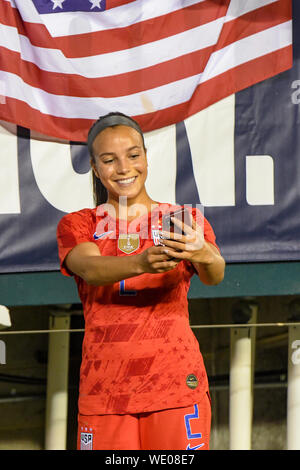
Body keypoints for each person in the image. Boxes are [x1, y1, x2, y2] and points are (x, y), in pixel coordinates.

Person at [56, 112, 225, 450]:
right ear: (94, 165)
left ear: (146, 156)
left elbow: (214, 275)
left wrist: (203, 253)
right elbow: (90, 268)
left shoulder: (182, 218)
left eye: (133, 155)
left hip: (175, 385)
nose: (123, 168)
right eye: (109, 159)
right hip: (104, 391)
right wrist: (141, 263)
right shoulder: (79, 223)